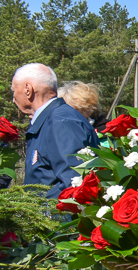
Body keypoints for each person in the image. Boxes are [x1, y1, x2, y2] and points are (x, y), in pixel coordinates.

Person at [12, 64, 99, 198]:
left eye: (14, 91)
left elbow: (73, 184)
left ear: (28, 90)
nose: (13, 99)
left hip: (55, 217)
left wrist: (43, 213)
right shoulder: (51, 120)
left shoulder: (61, 122)